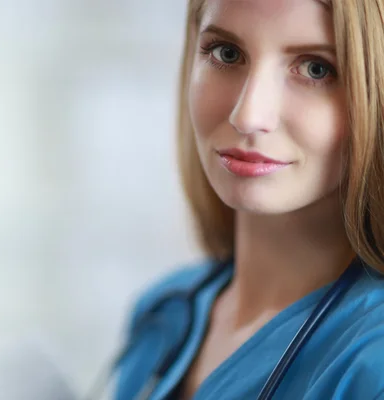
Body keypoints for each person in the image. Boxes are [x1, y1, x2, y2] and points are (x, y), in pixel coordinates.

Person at [115, 0, 384, 399]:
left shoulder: (372, 361)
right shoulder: (164, 312)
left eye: (316, 68)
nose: (248, 114)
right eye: (227, 53)